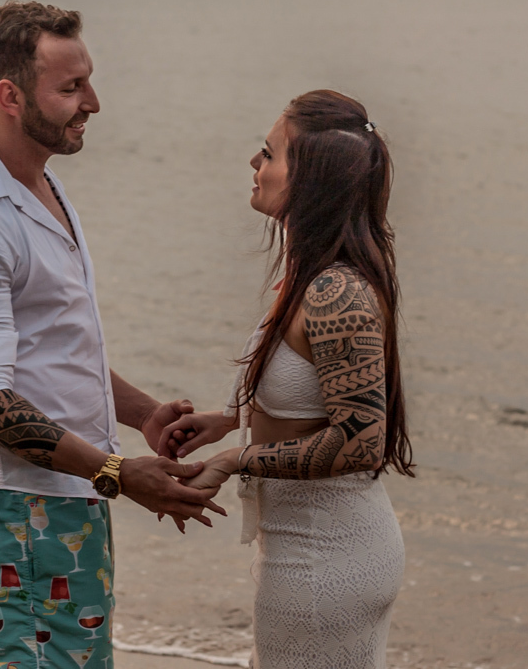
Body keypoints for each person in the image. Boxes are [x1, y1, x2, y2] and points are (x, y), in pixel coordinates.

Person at [0, 0, 225, 668]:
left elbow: (51, 347)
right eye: (71, 87)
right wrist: (118, 474)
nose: (94, 102)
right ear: (11, 96)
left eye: (89, 80)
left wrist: (142, 416)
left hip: (70, 502)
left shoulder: (39, 186)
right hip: (13, 513)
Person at [162, 90, 415, 668]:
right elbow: (311, 391)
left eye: (268, 153)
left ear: (309, 179)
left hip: (328, 558)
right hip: (305, 545)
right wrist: (230, 419)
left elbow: (359, 441)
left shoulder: (335, 292)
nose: (255, 164)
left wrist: (234, 459)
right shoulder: (313, 277)